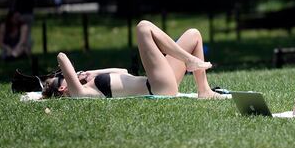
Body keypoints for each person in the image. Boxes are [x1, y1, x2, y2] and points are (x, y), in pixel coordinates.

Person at [42, 20, 222, 99]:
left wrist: (94, 72)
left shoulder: (90, 82)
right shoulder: (80, 93)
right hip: (157, 88)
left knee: (193, 35)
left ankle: (204, 90)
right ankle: (189, 60)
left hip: (161, 82)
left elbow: (123, 72)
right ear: (63, 86)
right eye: (62, 77)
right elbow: (61, 57)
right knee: (143, 28)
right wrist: (75, 74)